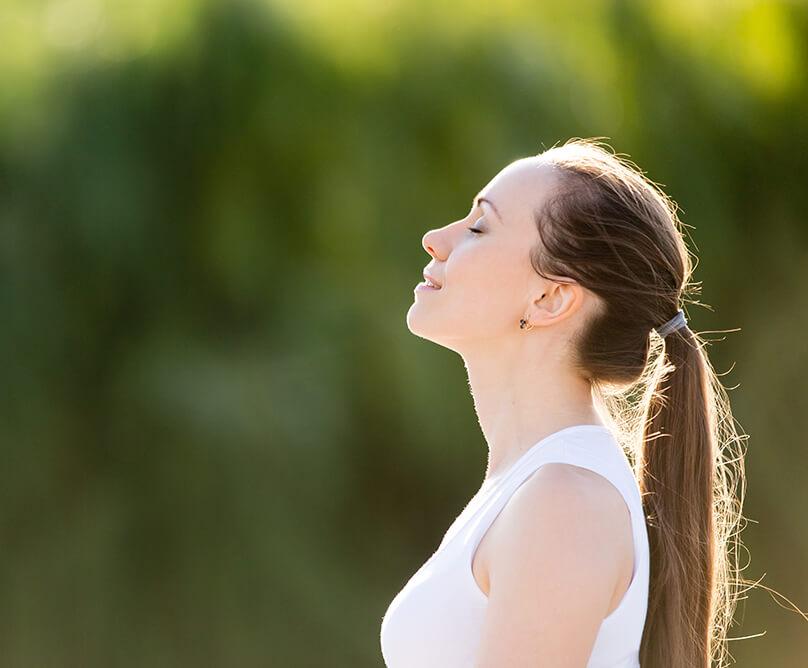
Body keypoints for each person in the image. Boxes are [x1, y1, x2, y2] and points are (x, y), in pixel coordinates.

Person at [379, 138, 747, 667]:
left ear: (550, 298)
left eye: (479, 226)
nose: (436, 239)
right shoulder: (535, 486)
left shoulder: (565, 501)